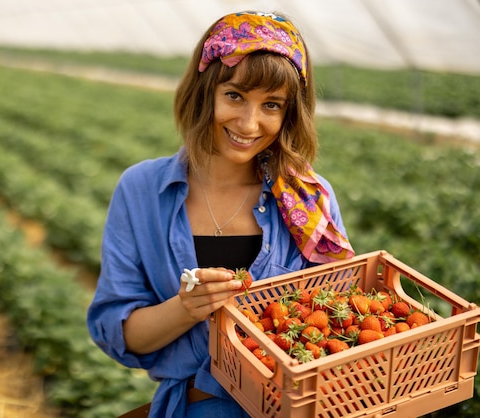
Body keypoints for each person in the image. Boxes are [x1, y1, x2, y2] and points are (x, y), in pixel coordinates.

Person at [87, 10, 354, 418]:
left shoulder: (307, 200)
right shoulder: (142, 190)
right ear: (205, 92)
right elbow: (119, 334)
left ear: (289, 113)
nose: (249, 123)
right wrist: (187, 307)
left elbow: (339, 329)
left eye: (271, 104)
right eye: (234, 96)